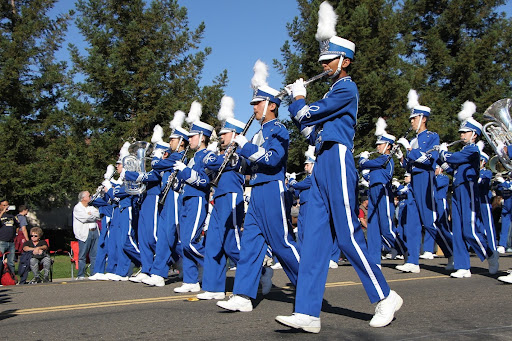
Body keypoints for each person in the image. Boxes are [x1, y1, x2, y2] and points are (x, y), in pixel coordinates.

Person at [275, 2, 401, 333]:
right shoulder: (334, 91)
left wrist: (299, 100)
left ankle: (385, 296)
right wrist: (298, 108)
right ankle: (307, 312)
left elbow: (308, 114)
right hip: (322, 162)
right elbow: (312, 129)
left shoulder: (346, 87)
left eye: (329, 60)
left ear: (344, 61)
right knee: (314, 239)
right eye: (324, 61)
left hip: (339, 161)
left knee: (347, 235)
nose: (325, 65)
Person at [216, 59, 299, 312]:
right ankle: (243, 295)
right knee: (251, 243)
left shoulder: (279, 130)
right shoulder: (257, 133)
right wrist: (236, 159)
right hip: (257, 190)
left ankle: (309, 283)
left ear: (271, 105)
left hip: (273, 188)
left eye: (258, 103)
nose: (253, 107)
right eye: (253, 103)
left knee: (282, 243)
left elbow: (272, 160)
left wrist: (246, 147)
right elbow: (250, 166)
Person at [438, 102, 499, 278]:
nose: (462, 135)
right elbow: (454, 170)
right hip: (457, 190)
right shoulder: (465, 151)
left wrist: (444, 154)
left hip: (468, 190)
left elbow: (455, 158)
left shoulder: (473, 150)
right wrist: (442, 162)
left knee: (469, 230)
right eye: (461, 133)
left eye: (465, 132)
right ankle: (463, 266)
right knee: (457, 230)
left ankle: (490, 253)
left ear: (474, 135)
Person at [396, 89, 454, 273]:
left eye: (414, 119)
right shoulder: (414, 140)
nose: (411, 122)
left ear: (423, 118)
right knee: (412, 223)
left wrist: (409, 151)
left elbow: (429, 160)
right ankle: (413, 260)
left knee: (430, 222)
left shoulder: (432, 137)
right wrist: (401, 158)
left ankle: (452, 253)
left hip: (426, 180)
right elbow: (411, 166)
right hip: (414, 181)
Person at [197, 110, 246, 300]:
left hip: (232, 196)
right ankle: (214, 287)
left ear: (234, 134)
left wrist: (210, 158)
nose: (221, 137)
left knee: (232, 243)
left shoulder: (240, 150)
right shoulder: (223, 152)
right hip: (219, 197)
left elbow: (224, 164)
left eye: (225, 134)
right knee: (213, 244)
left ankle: (258, 272)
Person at [172, 101, 214, 293]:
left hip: (197, 199)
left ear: (202, 137)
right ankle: (191, 280)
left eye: (192, 136)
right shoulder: (191, 157)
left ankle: (214, 265)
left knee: (191, 242)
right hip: (186, 199)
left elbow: (205, 182)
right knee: (184, 242)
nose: (189, 140)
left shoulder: (206, 155)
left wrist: (186, 172)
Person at [358, 118, 407, 266]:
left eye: (380, 144)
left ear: (388, 146)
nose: (377, 147)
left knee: (386, 228)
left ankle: (406, 251)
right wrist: (365, 173)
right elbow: (369, 174)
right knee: (373, 227)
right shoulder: (379, 161)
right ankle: (374, 259)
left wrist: (362, 160)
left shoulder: (386, 159)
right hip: (373, 191)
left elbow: (366, 165)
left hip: (383, 192)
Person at [72, 191, 100, 280]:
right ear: (83, 198)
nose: (91, 197)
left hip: (95, 232)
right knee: (82, 255)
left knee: (94, 254)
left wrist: (91, 215)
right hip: (84, 233)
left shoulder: (91, 207)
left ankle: (94, 273)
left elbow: (99, 215)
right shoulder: (77, 208)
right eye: (89, 196)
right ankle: (81, 275)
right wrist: (92, 215)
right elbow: (84, 218)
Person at [0, 200, 19, 274]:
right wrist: (2, 212)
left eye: (7, 205)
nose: (6, 207)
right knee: (0, 261)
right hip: (1, 241)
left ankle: (12, 278)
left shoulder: (11, 216)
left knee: (11, 262)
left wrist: (15, 234)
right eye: (4, 205)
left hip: (11, 242)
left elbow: (17, 225)